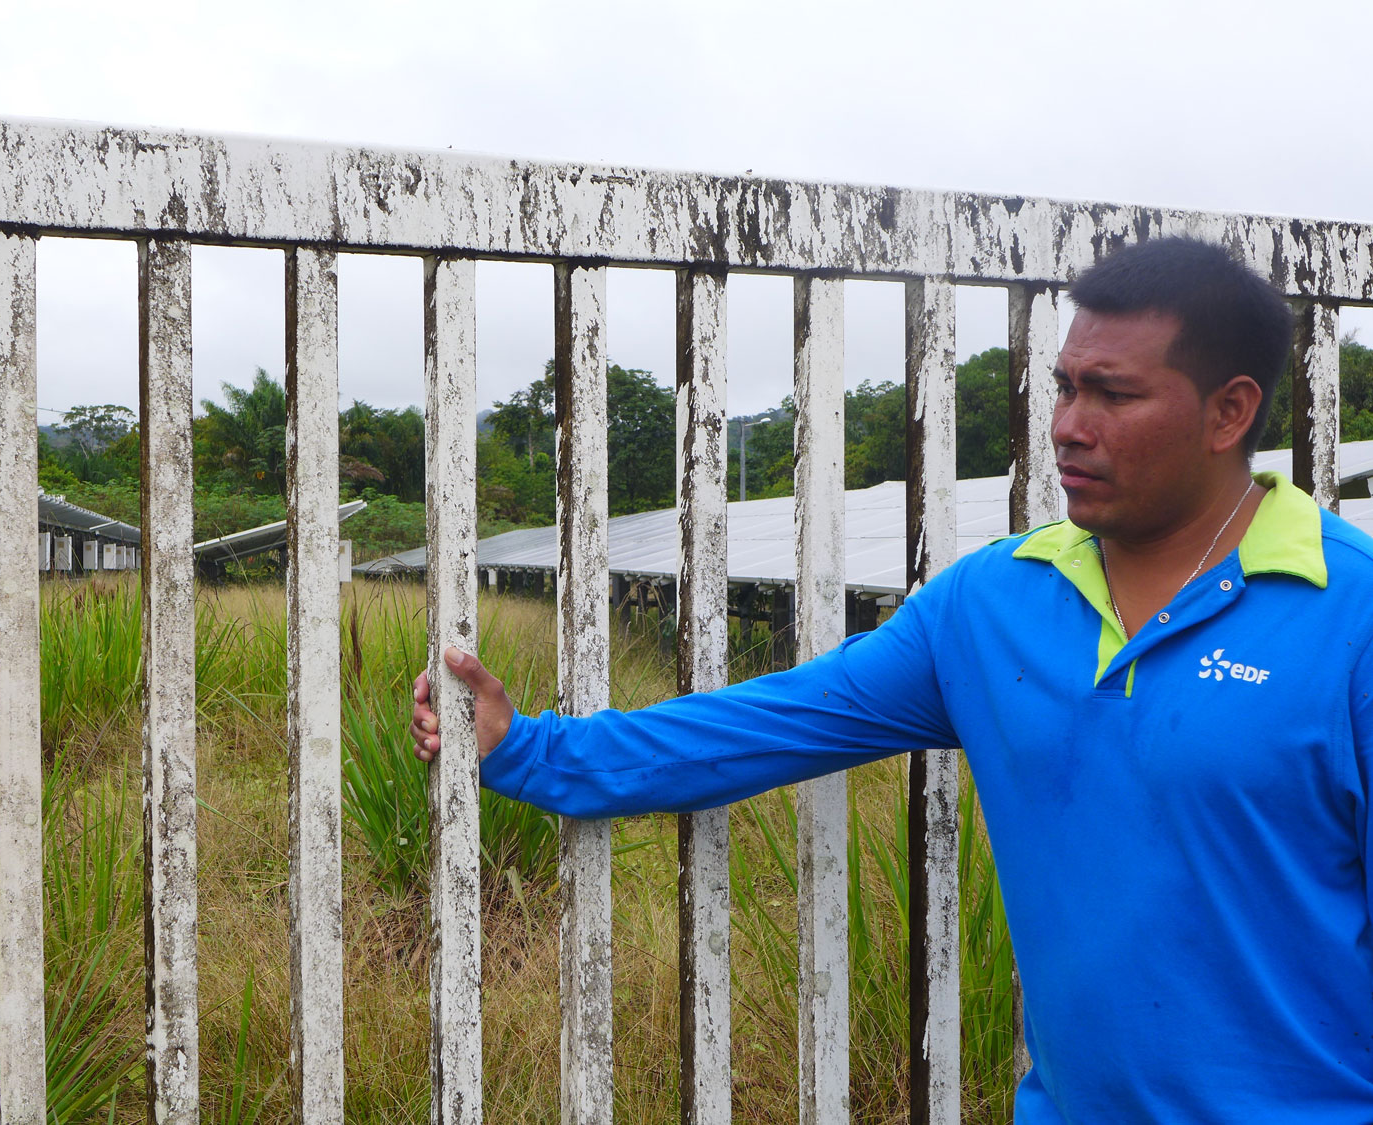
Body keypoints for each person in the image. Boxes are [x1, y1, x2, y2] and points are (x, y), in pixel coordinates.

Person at [410, 237, 1373, 1124]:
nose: (1068, 427)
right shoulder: (995, 604)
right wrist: (527, 747)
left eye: (1113, 395)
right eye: (1064, 387)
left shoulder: (1351, 616)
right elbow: (774, 719)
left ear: (1230, 410)